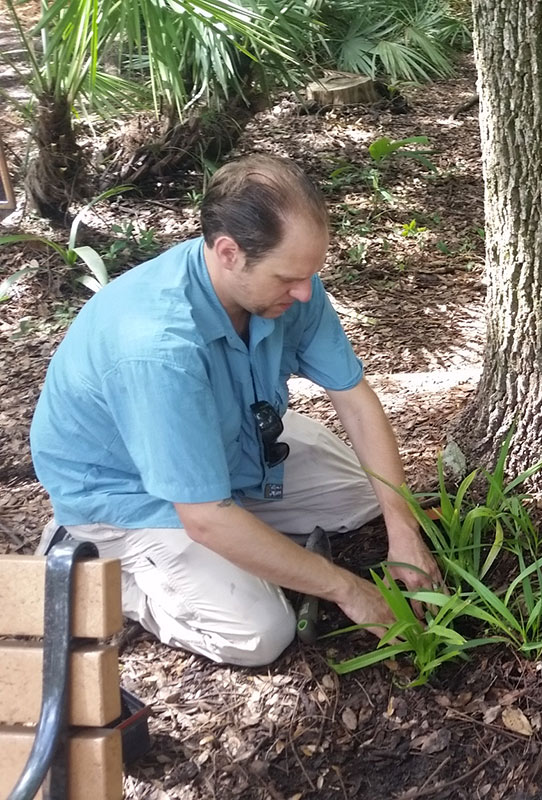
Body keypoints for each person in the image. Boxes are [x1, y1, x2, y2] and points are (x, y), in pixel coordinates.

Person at [30, 154, 443, 667]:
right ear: (228, 252)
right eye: (289, 277)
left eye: (312, 273)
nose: (306, 292)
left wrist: (402, 530)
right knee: (260, 634)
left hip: (232, 444)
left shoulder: (289, 287)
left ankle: (249, 531)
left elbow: (354, 400)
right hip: (130, 494)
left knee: (365, 498)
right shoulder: (159, 347)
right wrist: (350, 590)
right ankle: (100, 574)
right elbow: (202, 517)